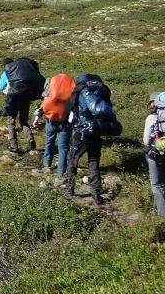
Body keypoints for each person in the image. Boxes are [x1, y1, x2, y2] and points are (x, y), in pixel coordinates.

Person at [63, 75, 111, 205]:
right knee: (94, 162)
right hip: (97, 131)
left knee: (72, 159)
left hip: (82, 133)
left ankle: (69, 189)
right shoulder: (102, 90)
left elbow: (68, 110)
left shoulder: (79, 91)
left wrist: (65, 124)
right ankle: (96, 193)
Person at [32, 73, 75, 175]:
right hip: (65, 122)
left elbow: (44, 101)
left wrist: (37, 117)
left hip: (51, 119)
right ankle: (61, 171)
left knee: (49, 141)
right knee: (63, 147)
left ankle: (47, 164)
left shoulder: (51, 83)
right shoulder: (73, 87)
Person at [0, 58, 38, 155]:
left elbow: (1, 86)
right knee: (24, 121)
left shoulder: (6, 73)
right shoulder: (21, 72)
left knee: (11, 122)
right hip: (25, 97)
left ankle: (14, 146)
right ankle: (30, 139)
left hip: (13, 99)